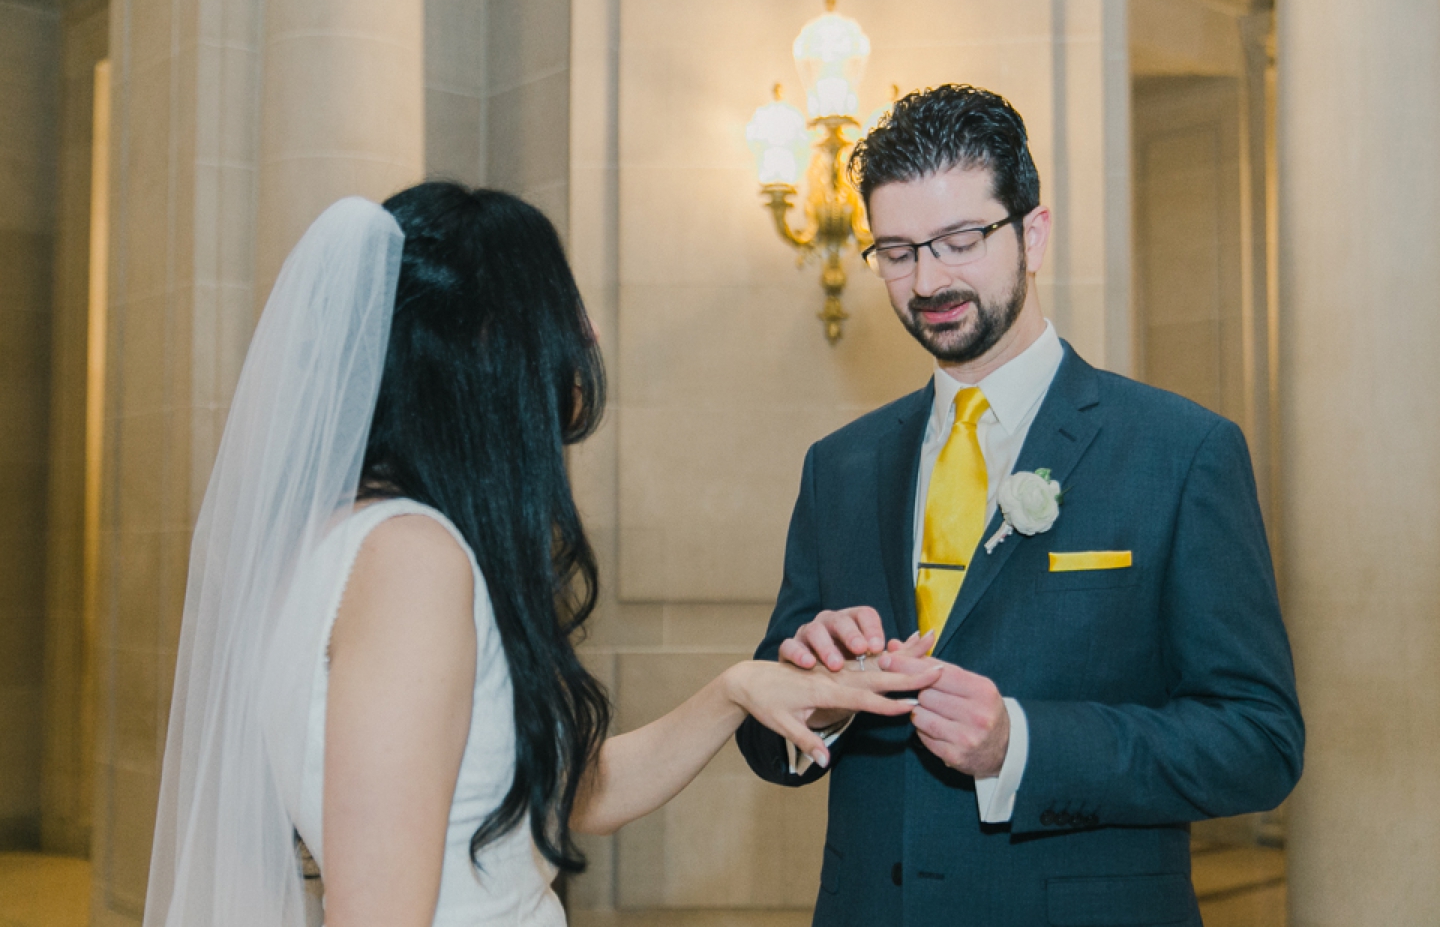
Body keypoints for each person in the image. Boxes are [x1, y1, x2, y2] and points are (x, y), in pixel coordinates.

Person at [142, 184, 934, 927]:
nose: (584, 335)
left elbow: (547, 800)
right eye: (561, 311)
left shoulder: (352, 535)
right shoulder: (409, 560)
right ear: (495, 351)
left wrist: (737, 690)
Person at [735, 85, 1304, 926]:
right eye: (896, 252)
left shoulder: (1182, 452)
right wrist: (810, 696)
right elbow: (765, 739)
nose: (928, 280)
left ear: (1032, 233)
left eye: (960, 241)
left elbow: (1258, 743)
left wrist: (1023, 745)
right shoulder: (839, 468)